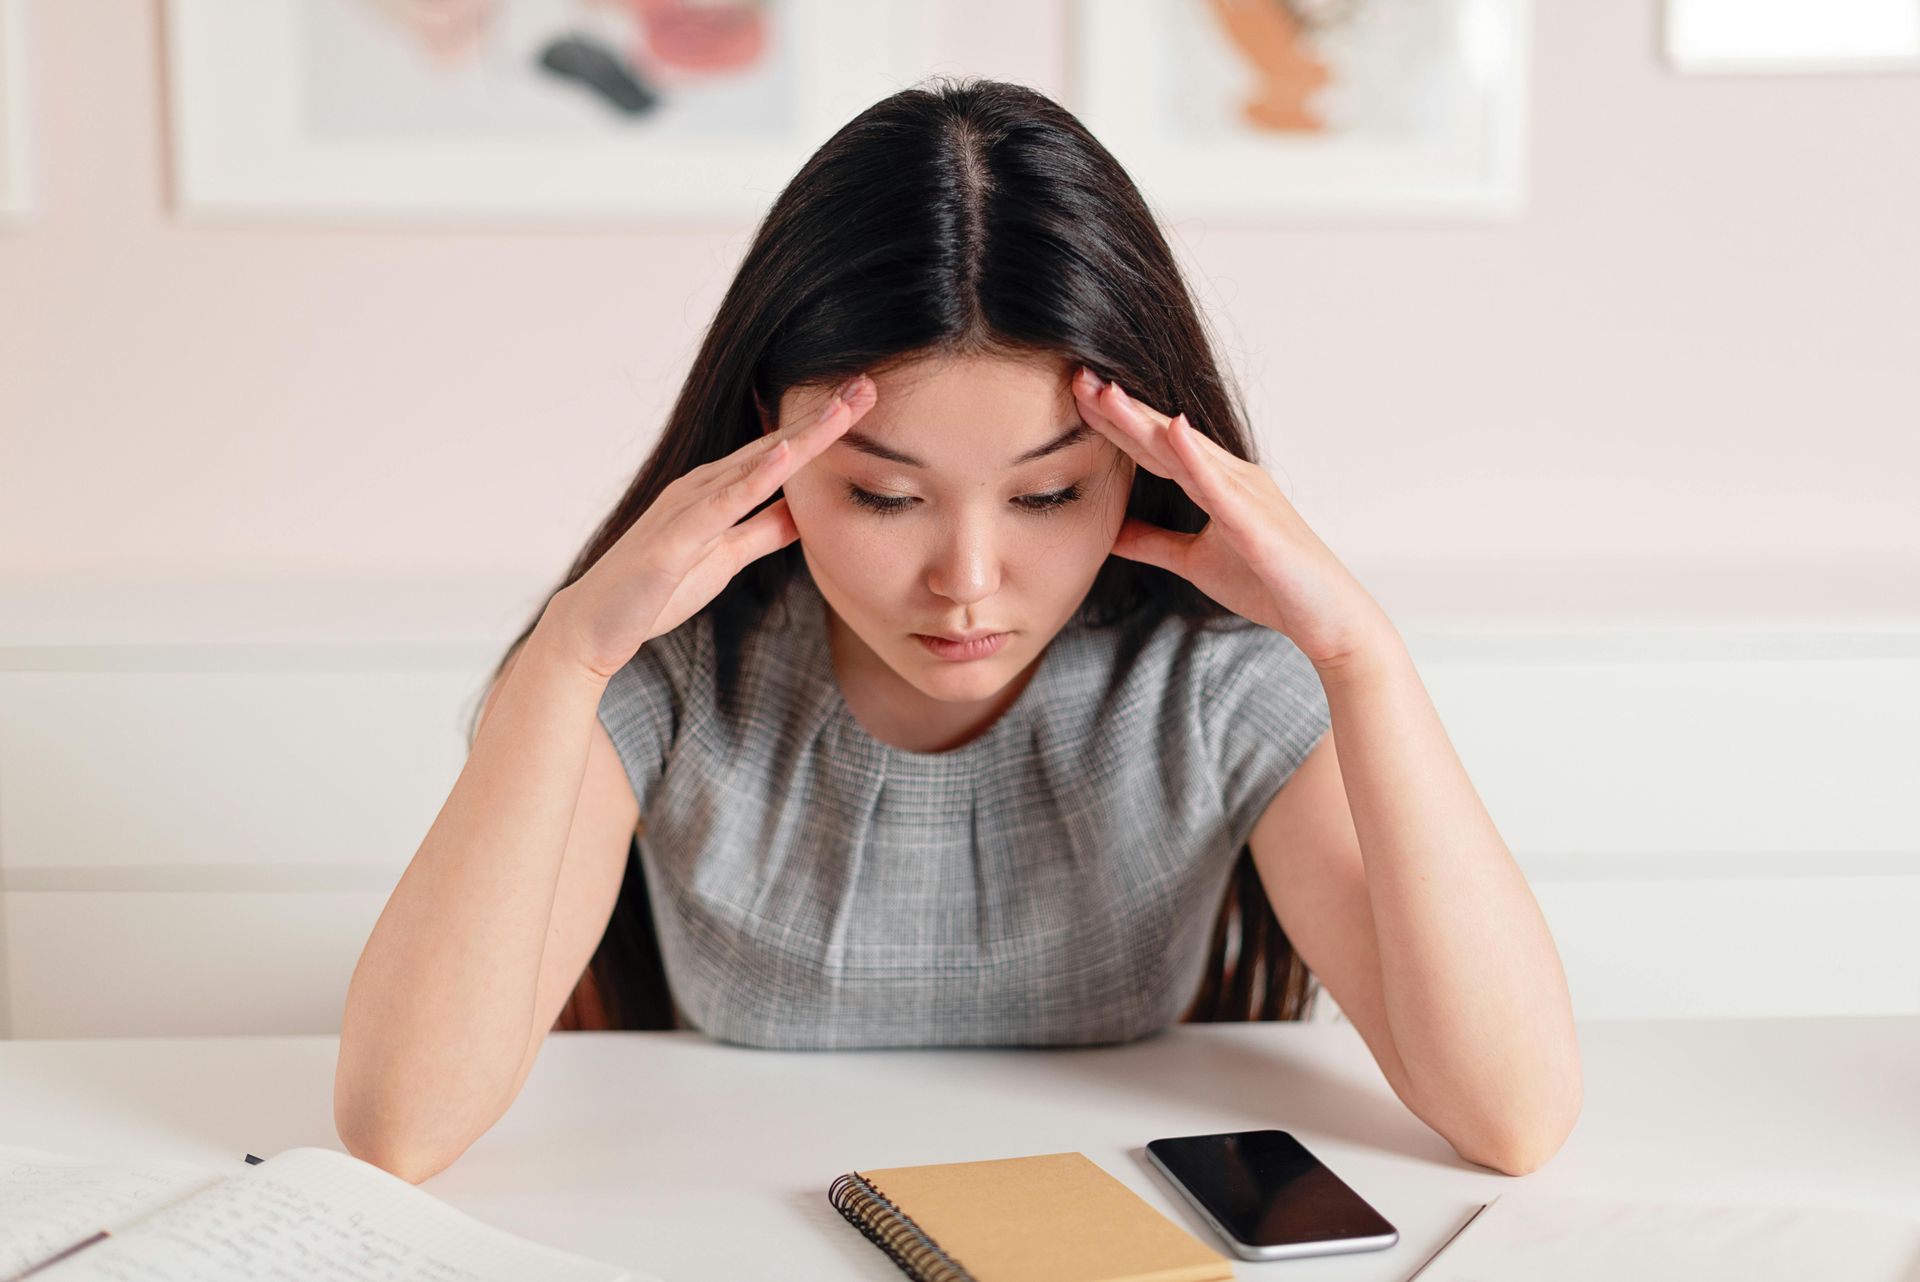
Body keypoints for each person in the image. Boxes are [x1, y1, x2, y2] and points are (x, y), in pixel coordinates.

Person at [333, 76, 1582, 1187]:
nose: (968, 581)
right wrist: (564, 659)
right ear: (768, 446)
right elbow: (400, 1127)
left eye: (1048, 495)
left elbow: (1513, 1119)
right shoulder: (671, 677)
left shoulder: (1207, 684)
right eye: (882, 495)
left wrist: (1363, 658)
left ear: (1144, 468)